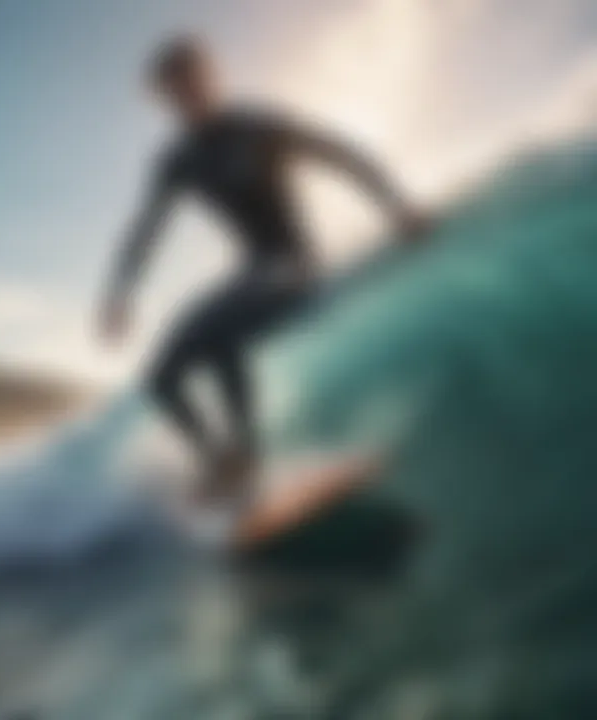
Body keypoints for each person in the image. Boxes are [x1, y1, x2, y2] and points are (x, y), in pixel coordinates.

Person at [98, 37, 428, 503]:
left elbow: (340, 153)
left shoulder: (258, 126)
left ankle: (247, 454)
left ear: (210, 77)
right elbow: (145, 231)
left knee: (223, 320)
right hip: (252, 274)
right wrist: (120, 293)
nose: (186, 98)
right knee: (161, 377)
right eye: (174, 94)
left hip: (296, 265)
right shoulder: (178, 161)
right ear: (164, 101)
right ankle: (221, 466)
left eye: (192, 83)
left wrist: (397, 207)